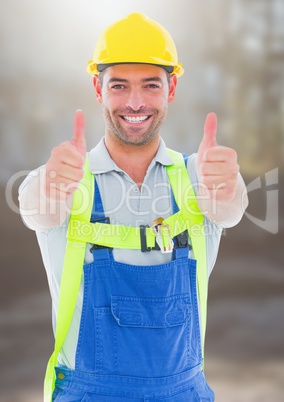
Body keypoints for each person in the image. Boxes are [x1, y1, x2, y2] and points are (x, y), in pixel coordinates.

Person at [19, 12, 248, 402]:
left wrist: (225, 189)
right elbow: (36, 209)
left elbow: (231, 209)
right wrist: (54, 187)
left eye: (150, 85)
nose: (135, 102)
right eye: (120, 85)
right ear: (98, 88)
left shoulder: (200, 176)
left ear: (171, 88)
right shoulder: (65, 176)